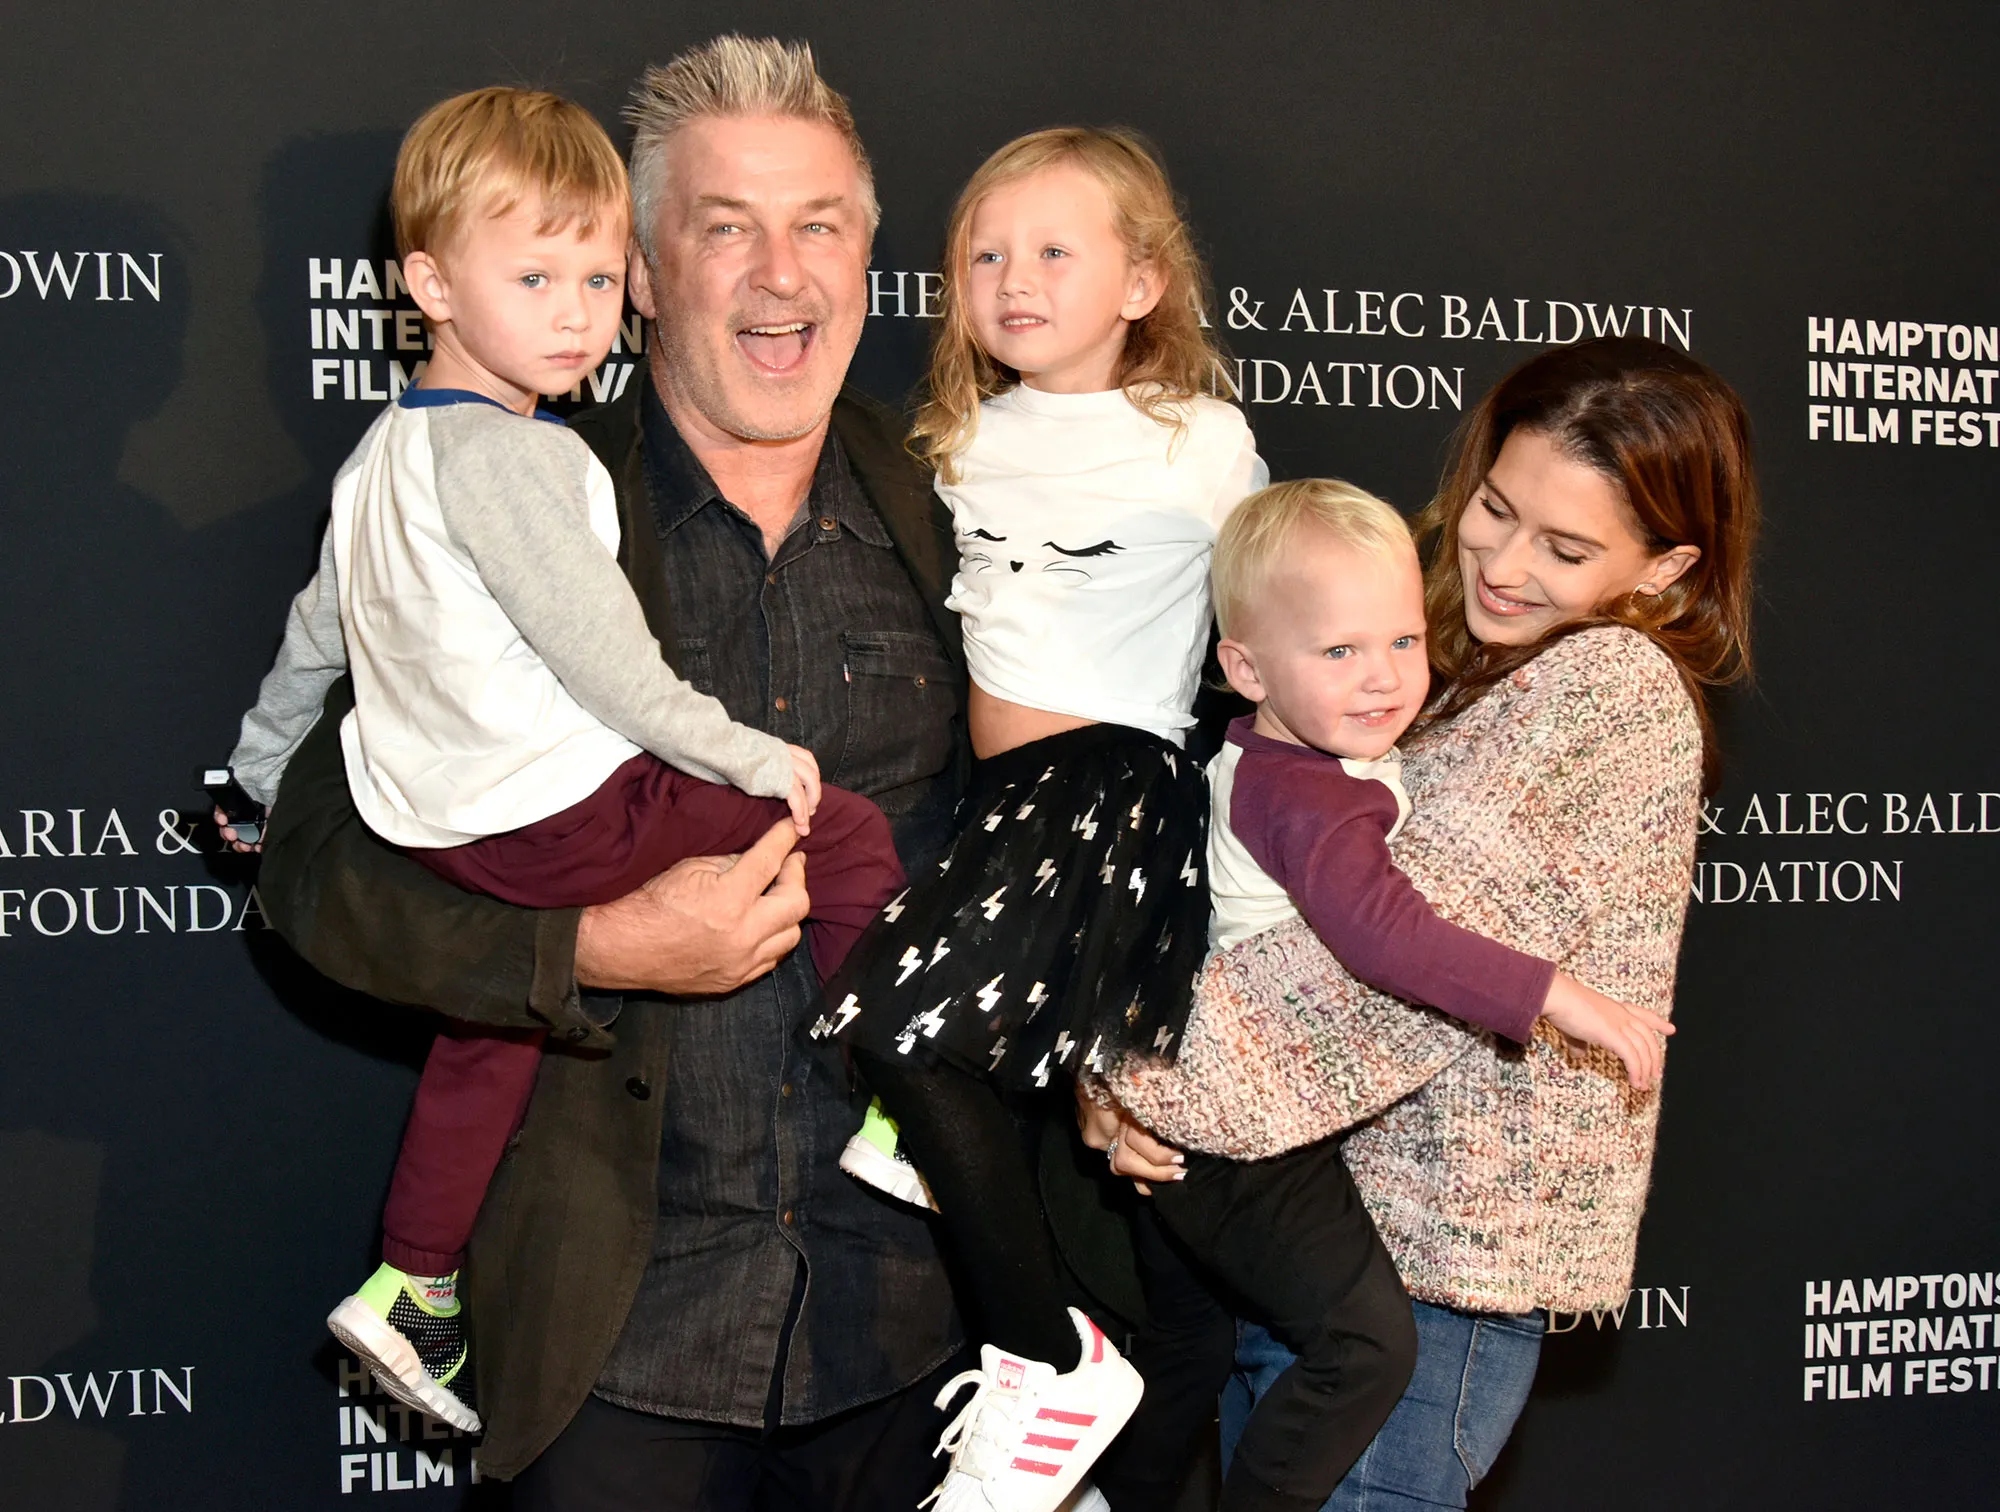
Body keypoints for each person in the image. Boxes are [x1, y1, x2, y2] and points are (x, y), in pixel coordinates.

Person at [251, 37, 974, 1510]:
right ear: (640, 272)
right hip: (616, 1344)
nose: (784, 276)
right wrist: (586, 949)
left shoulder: (960, 515)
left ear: (868, 258)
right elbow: (319, 875)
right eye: (727, 229)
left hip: (916, 1328)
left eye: (820, 225)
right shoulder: (505, 502)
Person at [1101, 336, 1758, 1511]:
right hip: (1325, 1242)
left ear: (1663, 568)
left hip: (1431, 1289)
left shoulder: (1604, 692)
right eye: (1494, 508)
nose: (1501, 563)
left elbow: (1373, 980)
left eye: (1563, 548)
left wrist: (1139, 1082)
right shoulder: (1450, 671)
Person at [808, 125, 1265, 1512]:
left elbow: (1272, 627)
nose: (1013, 279)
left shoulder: (1199, 439)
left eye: (1055, 252)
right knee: (919, 1071)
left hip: (1108, 793)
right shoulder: (953, 440)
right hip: (997, 806)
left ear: (1142, 282)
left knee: (894, 1030)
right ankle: (1045, 1352)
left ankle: (1049, 1359)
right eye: (986, 254)